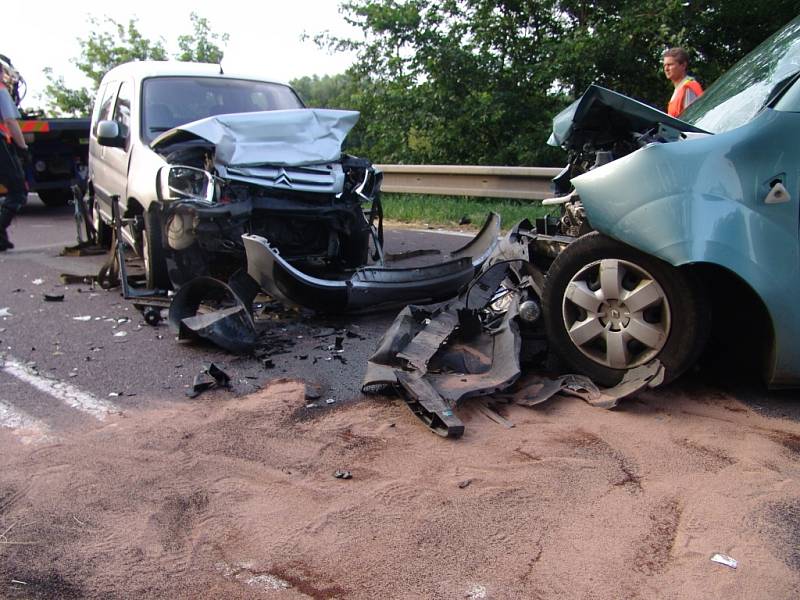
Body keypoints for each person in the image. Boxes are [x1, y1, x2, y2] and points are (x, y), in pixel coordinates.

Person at [0, 61, 29, 251]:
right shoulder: (1, 90)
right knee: (18, 191)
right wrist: (23, 147)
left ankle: (1, 239)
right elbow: (10, 121)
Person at [663, 47, 703, 118]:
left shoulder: (689, 87)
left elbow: (690, 120)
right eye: (664, 65)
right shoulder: (679, 89)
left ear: (683, 65)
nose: (666, 69)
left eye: (670, 65)